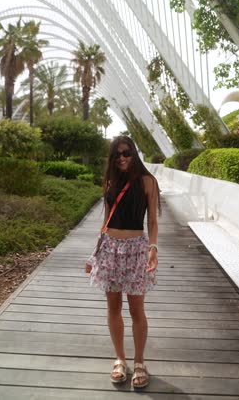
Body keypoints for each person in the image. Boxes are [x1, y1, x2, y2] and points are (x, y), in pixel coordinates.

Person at [87, 135, 160, 389]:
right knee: (113, 307)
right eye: (117, 154)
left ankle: (139, 362)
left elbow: (152, 221)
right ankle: (120, 359)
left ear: (134, 153)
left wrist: (153, 248)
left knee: (136, 308)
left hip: (136, 250)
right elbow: (105, 221)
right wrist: (94, 255)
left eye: (126, 152)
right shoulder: (109, 180)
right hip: (109, 249)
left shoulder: (148, 181)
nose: (121, 158)